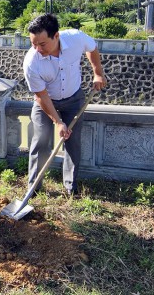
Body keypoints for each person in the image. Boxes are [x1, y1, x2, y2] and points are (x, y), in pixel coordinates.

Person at [23, 14, 107, 196]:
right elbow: (41, 96)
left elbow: (92, 48)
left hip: (73, 98)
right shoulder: (31, 63)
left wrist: (98, 73)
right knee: (41, 140)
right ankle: (33, 188)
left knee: (73, 142)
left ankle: (70, 187)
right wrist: (57, 122)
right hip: (46, 102)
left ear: (56, 36)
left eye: (42, 44)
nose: (37, 49)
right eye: (33, 44)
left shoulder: (76, 38)